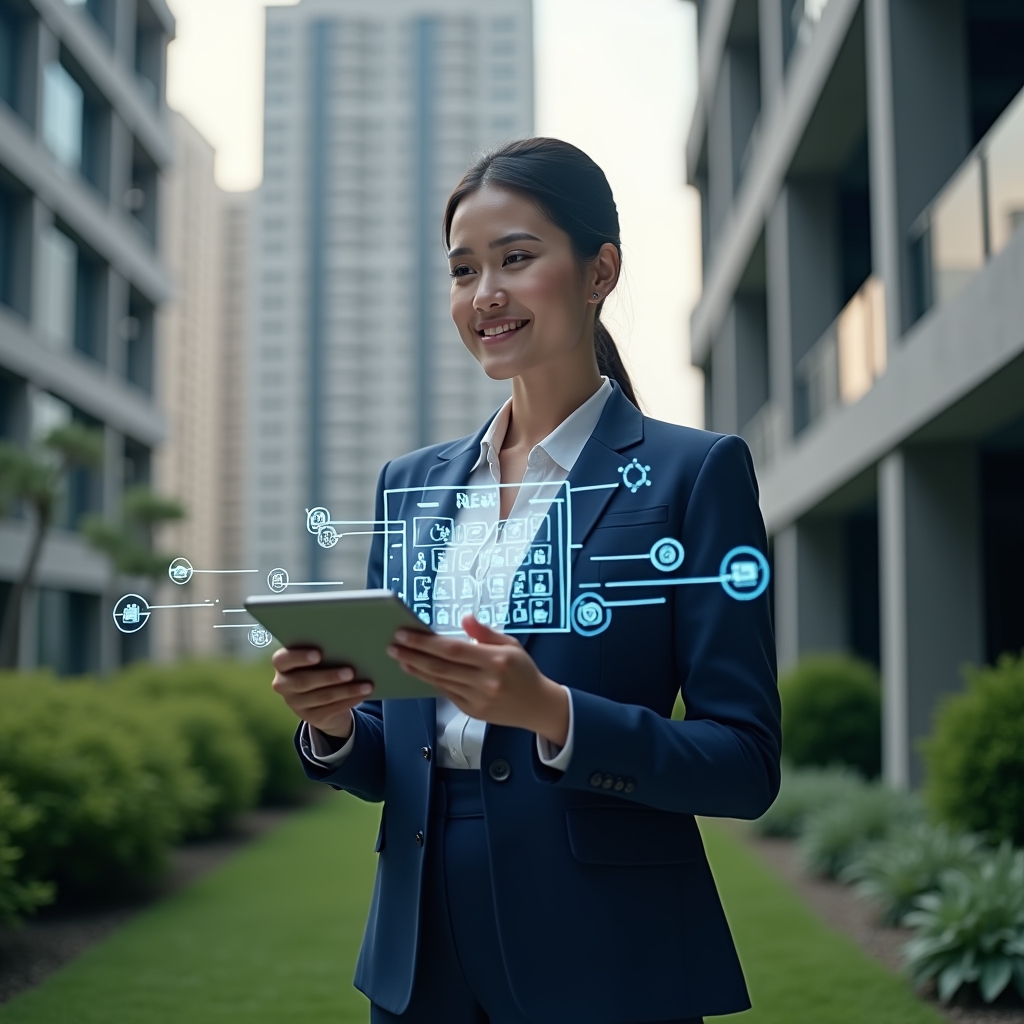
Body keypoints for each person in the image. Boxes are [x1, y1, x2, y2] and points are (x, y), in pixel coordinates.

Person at [271, 137, 781, 1024]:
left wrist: (553, 713)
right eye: (464, 270)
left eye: (516, 258)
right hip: (419, 953)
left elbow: (743, 765)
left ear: (599, 271)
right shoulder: (411, 486)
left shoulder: (694, 476)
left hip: (607, 952)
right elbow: (398, 759)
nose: (485, 295)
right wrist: (335, 724)